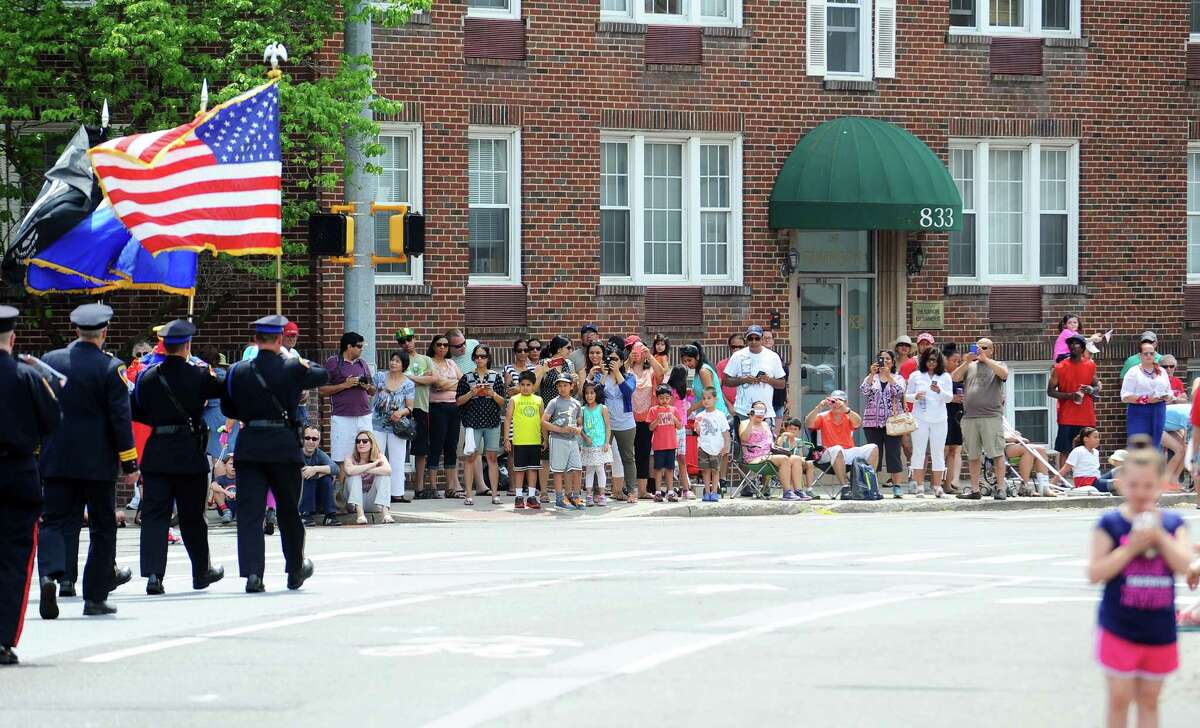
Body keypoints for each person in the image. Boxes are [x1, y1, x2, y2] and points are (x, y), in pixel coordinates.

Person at [37, 303, 139, 618]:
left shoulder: (50, 362)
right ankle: (94, 597)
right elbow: (120, 420)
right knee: (102, 526)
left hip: (56, 458)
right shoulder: (111, 368)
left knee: (54, 521)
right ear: (104, 333)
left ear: (75, 331)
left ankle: (50, 575)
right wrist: (130, 464)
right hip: (97, 463)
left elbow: (39, 409)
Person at [220, 315, 328, 593]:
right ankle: (295, 569)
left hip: (251, 446)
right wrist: (293, 359)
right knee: (289, 511)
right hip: (283, 446)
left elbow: (228, 410)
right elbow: (321, 373)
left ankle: (254, 574)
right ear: (280, 340)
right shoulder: (292, 366)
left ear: (255, 341)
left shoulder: (238, 370)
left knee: (250, 514)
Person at [1086, 449, 1192, 728]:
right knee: (1119, 699)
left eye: (1148, 486)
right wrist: (1130, 548)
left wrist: (1159, 537)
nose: (1142, 493)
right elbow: (1095, 573)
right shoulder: (1110, 524)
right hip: (1119, 626)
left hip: (1159, 628)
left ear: (1160, 485)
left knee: (1149, 700)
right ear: (1121, 484)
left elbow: (1183, 564)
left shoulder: (1173, 524)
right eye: (1134, 485)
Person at [129, 320, 226, 596]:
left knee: (155, 514)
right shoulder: (199, 374)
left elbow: (136, 411)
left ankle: (153, 576)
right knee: (192, 515)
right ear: (187, 346)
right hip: (189, 453)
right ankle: (200, 572)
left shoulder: (147, 377)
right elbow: (222, 390)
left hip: (157, 451)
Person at [0, 306, 61, 665]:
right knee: (14, 559)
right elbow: (53, 421)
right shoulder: (27, 376)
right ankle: (4, 639)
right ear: (13, 338)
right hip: (18, 470)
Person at [953, 338, 1010, 501]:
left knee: (997, 453)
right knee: (973, 455)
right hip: (970, 417)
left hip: (991, 416)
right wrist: (966, 362)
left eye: (984, 348)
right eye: (978, 347)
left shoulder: (998, 364)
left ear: (992, 350)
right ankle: (975, 489)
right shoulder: (970, 366)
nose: (980, 350)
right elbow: (955, 377)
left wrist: (986, 360)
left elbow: (1004, 374)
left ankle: (1000, 488)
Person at [456, 345, 505, 506]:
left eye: (483, 356)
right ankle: (468, 494)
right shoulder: (466, 377)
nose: (479, 359)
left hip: (492, 421)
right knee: (470, 457)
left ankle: (495, 494)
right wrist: (472, 393)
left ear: (488, 358)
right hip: (472, 422)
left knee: (492, 457)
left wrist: (492, 394)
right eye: (476, 356)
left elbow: (502, 402)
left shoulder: (496, 377)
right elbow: (458, 401)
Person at [319, 331, 376, 466]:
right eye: (359, 346)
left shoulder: (362, 364)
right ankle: (343, 487)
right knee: (343, 457)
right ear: (349, 346)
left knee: (367, 455)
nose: (361, 349)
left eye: (362, 346)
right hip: (342, 416)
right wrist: (345, 385)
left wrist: (366, 386)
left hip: (364, 416)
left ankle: (362, 486)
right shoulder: (333, 363)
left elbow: (373, 391)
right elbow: (321, 390)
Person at [1048, 333, 1102, 468]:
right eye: (1070, 343)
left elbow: (1097, 385)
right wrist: (1070, 396)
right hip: (1067, 416)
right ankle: (1062, 480)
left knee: (1088, 448)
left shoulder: (1090, 365)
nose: (1073, 346)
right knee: (1065, 449)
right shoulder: (1060, 367)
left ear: (1083, 347)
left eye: (1076, 343)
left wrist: (1091, 389)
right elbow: (1050, 391)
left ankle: (1086, 474)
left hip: (1086, 416)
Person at [906, 347, 953, 498]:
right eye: (928, 359)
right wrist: (915, 396)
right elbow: (906, 396)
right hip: (920, 417)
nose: (931, 363)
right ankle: (919, 486)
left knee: (938, 452)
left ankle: (937, 486)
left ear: (939, 361)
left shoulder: (945, 377)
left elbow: (949, 398)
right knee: (919, 451)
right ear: (924, 360)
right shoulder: (916, 375)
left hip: (939, 419)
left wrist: (940, 391)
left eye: (934, 360)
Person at [804, 390, 878, 486]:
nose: (836, 404)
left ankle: (867, 484)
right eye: (833, 401)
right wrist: (819, 408)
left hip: (848, 451)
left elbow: (858, 423)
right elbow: (808, 423)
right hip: (827, 453)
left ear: (846, 403)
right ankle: (845, 487)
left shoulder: (849, 415)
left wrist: (846, 409)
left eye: (839, 401)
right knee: (837, 449)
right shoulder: (822, 416)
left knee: (873, 447)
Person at [860, 348, 907, 498]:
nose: (885, 361)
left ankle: (897, 486)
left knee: (894, 454)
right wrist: (872, 374)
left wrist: (888, 376)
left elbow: (899, 391)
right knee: (874, 455)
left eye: (888, 359)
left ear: (893, 362)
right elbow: (864, 391)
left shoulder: (898, 378)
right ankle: (873, 486)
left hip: (892, 422)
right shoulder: (871, 378)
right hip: (872, 422)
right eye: (882, 359)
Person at [397, 328, 437, 499]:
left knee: (421, 449)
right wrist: (421, 377)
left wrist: (408, 377)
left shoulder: (425, 359)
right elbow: (396, 380)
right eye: (402, 341)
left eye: (409, 339)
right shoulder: (398, 359)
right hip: (401, 408)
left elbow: (433, 379)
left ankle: (419, 488)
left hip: (421, 407)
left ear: (414, 339)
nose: (406, 343)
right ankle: (397, 488)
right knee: (399, 449)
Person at [722, 325, 785, 432]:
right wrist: (744, 379)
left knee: (764, 446)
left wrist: (768, 379)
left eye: (757, 338)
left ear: (762, 339)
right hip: (743, 411)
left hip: (765, 412)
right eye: (750, 338)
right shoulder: (738, 356)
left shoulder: (772, 356)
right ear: (746, 340)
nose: (754, 341)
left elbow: (782, 383)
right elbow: (726, 381)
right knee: (742, 446)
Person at [373, 350, 415, 504]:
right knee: (376, 458)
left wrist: (401, 412)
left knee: (397, 460)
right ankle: (376, 493)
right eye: (392, 360)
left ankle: (397, 494)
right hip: (377, 424)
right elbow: (371, 392)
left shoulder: (408, 383)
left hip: (397, 426)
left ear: (403, 364)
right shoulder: (379, 377)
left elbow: (410, 406)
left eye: (397, 361)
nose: (393, 363)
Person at [425, 333, 463, 498]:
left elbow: (463, 383)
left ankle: (450, 488)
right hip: (437, 408)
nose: (442, 347)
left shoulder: (451, 363)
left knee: (451, 446)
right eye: (439, 344)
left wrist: (447, 385)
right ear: (433, 346)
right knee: (436, 445)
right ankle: (433, 487)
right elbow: (437, 384)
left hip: (454, 407)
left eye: (446, 345)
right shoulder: (429, 363)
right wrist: (450, 384)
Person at [629, 340, 667, 497]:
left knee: (643, 453)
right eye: (634, 350)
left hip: (646, 418)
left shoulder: (650, 370)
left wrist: (650, 357)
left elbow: (661, 375)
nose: (638, 352)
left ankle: (643, 490)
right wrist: (628, 360)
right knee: (628, 454)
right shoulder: (627, 369)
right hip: (628, 417)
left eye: (641, 350)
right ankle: (630, 488)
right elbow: (618, 375)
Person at [601, 348, 638, 503]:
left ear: (622, 361)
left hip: (625, 423)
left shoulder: (629, 376)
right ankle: (598, 492)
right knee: (599, 457)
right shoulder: (601, 376)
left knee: (628, 458)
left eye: (615, 359)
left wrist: (617, 373)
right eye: (610, 359)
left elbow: (628, 392)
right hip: (606, 423)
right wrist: (603, 375)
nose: (612, 362)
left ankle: (631, 491)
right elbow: (595, 395)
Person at [504, 370, 543, 509]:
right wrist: (507, 439)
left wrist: (544, 438)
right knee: (519, 469)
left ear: (533, 386)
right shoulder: (514, 400)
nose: (525, 387)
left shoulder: (538, 400)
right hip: (519, 441)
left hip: (535, 440)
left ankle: (531, 497)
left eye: (528, 384)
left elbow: (542, 420)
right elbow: (508, 419)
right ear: (519, 385)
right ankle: (518, 496)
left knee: (533, 469)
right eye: (522, 384)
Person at [1121, 341, 1172, 448]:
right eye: (1145, 353)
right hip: (1139, 411)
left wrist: (1167, 396)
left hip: (1158, 410)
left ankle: (1153, 464)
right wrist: (1146, 399)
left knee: (1155, 444)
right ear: (1140, 355)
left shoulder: (1162, 371)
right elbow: (1125, 396)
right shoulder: (1133, 372)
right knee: (1138, 444)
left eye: (1151, 353)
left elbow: (1169, 391)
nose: (1149, 356)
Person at [544, 377, 584, 509]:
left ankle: (576, 497)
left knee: (577, 469)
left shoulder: (576, 403)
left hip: (572, 440)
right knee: (558, 470)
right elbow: (543, 422)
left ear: (572, 386)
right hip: (558, 439)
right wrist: (561, 429)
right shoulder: (553, 402)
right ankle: (559, 499)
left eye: (565, 385)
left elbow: (580, 423)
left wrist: (578, 430)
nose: (562, 388)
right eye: (559, 385)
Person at [737, 402, 793, 496]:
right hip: (753, 457)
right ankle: (787, 492)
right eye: (757, 411)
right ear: (752, 411)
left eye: (762, 411)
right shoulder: (744, 423)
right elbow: (744, 438)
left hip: (768, 455)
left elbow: (770, 443)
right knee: (783, 459)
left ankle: (797, 491)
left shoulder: (766, 424)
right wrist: (751, 421)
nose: (760, 414)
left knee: (796, 459)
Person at [342, 430, 393, 525]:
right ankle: (360, 515)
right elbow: (349, 471)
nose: (361, 443)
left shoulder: (379, 456)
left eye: (365, 441)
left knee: (384, 476)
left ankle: (385, 513)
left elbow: (388, 470)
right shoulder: (350, 457)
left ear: (371, 443)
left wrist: (363, 469)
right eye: (358, 441)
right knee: (354, 476)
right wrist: (373, 465)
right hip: (352, 503)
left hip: (372, 501)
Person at [693, 388, 730, 502]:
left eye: (709, 398)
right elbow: (698, 431)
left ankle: (714, 492)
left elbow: (725, 432)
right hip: (703, 446)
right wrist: (697, 428)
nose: (706, 401)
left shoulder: (720, 415)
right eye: (704, 398)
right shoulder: (700, 415)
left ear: (715, 399)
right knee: (705, 470)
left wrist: (726, 446)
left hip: (716, 447)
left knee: (715, 470)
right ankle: (707, 492)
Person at [299, 426, 340, 527]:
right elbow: (303, 474)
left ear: (318, 441)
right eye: (307, 438)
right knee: (309, 476)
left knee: (326, 479)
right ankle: (305, 515)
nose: (311, 441)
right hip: (298, 499)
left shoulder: (319, 454)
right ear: (302, 439)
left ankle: (330, 516)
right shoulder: (296, 453)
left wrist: (315, 469)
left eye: (314, 439)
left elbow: (335, 468)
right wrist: (323, 471)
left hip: (316, 499)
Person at [648, 385, 683, 502]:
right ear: (657, 398)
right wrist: (657, 419)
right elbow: (650, 428)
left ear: (671, 398)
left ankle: (670, 491)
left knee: (670, 469)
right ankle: (658, 492)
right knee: (658, 469)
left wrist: (674, 418)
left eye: (667, 398)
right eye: (661, 398)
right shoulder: (653, 410)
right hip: (658, 445)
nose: (664, 400)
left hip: (671, 444)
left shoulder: (674, 410)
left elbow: (679, 426)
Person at [580, 382, 611, 507]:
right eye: (587, 393)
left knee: (600, 469)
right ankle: (588, 495)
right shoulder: (582, 410)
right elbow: (580, 428)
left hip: (600, 445)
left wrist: (607, 442)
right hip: (588, 446)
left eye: (592, 393)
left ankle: (602, 495)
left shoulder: (602, 408)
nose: (589, 396)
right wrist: (585, 437)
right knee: (589, 470)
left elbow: (608, 426)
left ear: (596, 394)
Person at [665, 366, 693, 499]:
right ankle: (670, 489)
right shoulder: (671, 391)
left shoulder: (682, 391)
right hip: (672, 428)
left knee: (682, 458)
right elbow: (667, 408)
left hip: (681, 428)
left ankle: (686, 489)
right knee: (671, 459)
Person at [942, 344, 965, 494]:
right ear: (945, 360)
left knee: (954, 449)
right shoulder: (941, 376)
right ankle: (937, 482)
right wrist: (952, 399)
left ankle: (949, 484)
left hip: (957, 415)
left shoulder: (961, 376)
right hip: (943, 415)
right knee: (942, 450)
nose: (957, 364)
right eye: (954, 361)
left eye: (959, 361)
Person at [775, 418, 814, 501]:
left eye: (795, 429)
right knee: (793, 464)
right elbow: (777, 448)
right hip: (785, 463)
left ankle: (809, 489)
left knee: (809, 463)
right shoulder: (782, 439)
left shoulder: (799, 441)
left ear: (798, 431)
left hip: (797, 464)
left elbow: (800, 455)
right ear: (785, 429)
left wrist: (802, 459)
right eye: (790, 428)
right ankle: (792, 490)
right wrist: (783, 435)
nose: (792, 431)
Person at [1060, 426, 1103, 491]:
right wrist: (1053, 483)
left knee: (1118, 470)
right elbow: (1065, 469)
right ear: (1086, 439)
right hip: (1085, 482)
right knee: (1117, 483)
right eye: (1095, 437)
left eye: (1098, 437)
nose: (1098, 440)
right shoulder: (1078, 451)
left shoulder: (1096, 452)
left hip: (1096, 479)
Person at [716, 333, 744, 416]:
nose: (737, 349)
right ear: (729, 347)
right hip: (727, 408)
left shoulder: (750, 364)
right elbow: (718, 388)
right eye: (734, 347)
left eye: (740, 347)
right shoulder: (721, 365)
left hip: (746, 408)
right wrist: (729, 405)